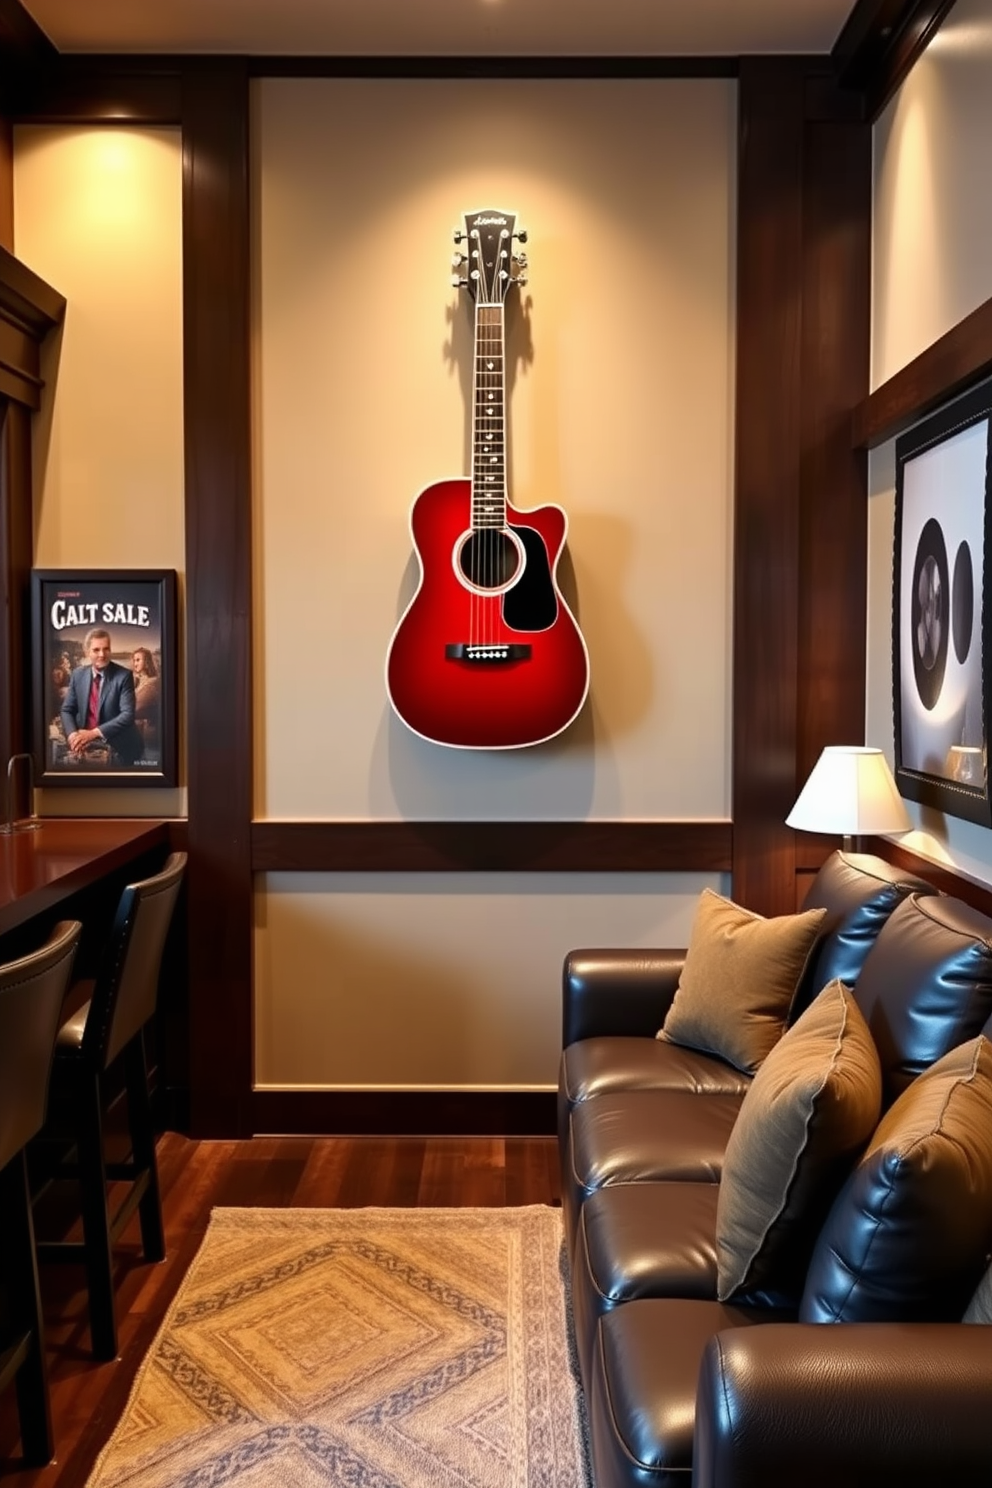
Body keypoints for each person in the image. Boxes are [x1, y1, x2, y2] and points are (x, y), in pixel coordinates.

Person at [60, 628, 142, 765]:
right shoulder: (78, 674)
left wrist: (92, 733)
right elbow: (67, 710)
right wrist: (73, 735)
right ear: (87, 652)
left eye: (106, 649)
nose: (102, 654)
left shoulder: (124, 676)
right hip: (86, 745)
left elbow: (127, 715)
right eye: (96, 650)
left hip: (120, 748)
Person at [132, 646, 161, 758]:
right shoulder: (141, 681)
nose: (135, 663)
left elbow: (134, 710)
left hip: (153, 746)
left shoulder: (151, 685)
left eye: (138, 660)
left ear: (147, 662)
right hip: (144, 741)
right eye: (134, 660)